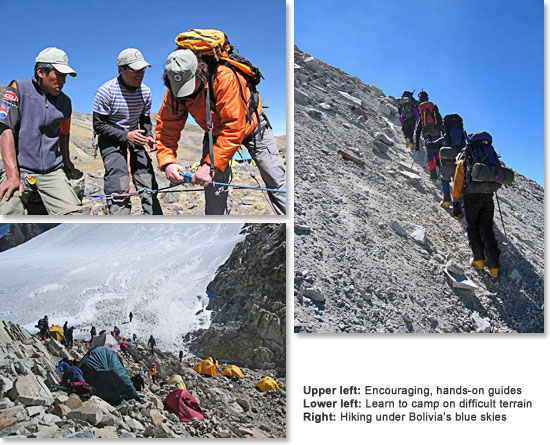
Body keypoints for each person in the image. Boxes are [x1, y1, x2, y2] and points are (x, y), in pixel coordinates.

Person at [155, 48, 286, 215]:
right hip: (214, 134)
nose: (183, 93)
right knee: (214, 190)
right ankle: (217, 230)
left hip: (252, 127)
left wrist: (210, 165)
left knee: (275, 178)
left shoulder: (224, 77)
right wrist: (167, 161)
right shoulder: (175, 89)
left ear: (199, 72)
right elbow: (167, 126)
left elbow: (233, 127)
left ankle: (291, 225)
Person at [0, 47, 81, 215]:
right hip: (20, 170)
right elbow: (5, 128)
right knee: (7, 213)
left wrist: (66, 161)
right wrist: (12, 176)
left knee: (74, 215)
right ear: (40, 71)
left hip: (52, 171)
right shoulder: (18, 88)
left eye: (65, 76)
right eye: (58, 74)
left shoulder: (66, 102)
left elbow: (64, 133)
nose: (63, 81)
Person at [93, 48, 162, 215]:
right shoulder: (106, 92)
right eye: (135, 70)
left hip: (135, 138)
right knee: (119, 184)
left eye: (143, 70)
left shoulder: (145, 92)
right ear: (121, 69)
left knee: (147, 181)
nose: (140, 74)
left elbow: (144, 120)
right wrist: (126, 136)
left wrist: (149, 136)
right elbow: (99, 126)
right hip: (111, 140)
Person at [452, 131, 501, 277]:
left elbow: (458, 179)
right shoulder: (490, 153)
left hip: (471, 195)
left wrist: (455, 201)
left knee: (473, 227)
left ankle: (479, 260)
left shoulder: (468, 153)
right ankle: (494, 267)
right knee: (487, 228)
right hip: (488, 195)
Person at [414, 91, 444, 180]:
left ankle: (433, 174)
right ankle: (438, 167)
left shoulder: (422, 112)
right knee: (437, 151)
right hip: (437, 133)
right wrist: (443, 132)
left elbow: (418, 128)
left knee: (430, 154)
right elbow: (440, 121)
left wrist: (417, 145)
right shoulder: (433, 109)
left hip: (427, 134)